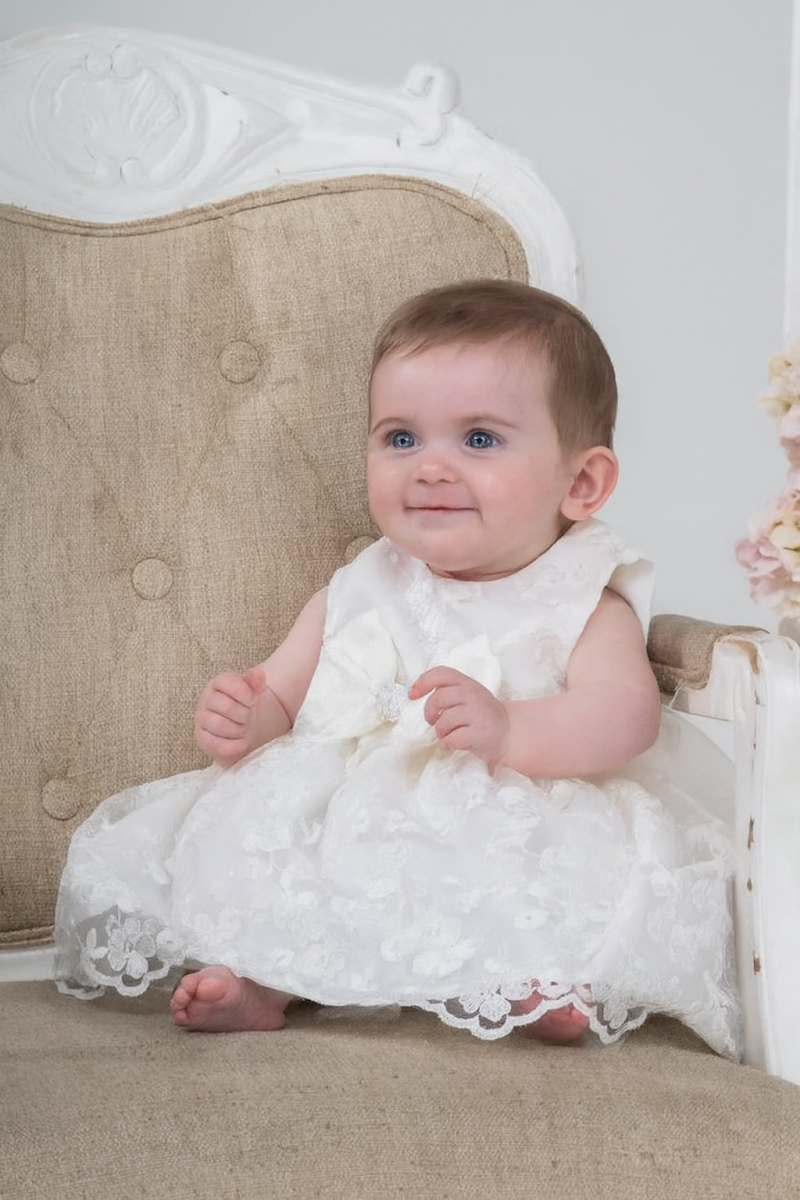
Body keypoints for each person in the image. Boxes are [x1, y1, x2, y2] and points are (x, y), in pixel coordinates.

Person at [54, 280, 741, 1056]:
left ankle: (534, 978)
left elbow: (627, 714)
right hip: (356, 804)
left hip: (515, 796)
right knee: (301, 862)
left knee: (531, 873)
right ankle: (267, 980)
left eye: (479, 439)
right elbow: (282, 691)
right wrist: (246, 715)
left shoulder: (580, 597)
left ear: (581, 483)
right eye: (402, 439)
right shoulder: (362, 584)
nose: (431, 467)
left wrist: (512, 729)